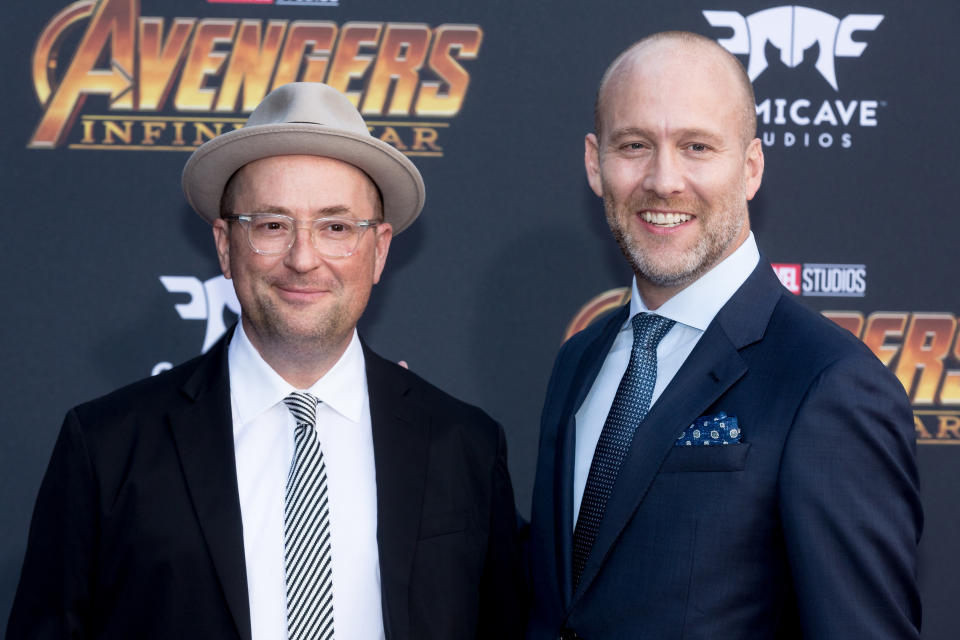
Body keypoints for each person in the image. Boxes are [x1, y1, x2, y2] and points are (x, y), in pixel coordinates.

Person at [8, 82, 523, 640]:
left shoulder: (463, 445)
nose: (304, 259)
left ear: (379, 251)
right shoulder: (107, 445)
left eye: (336, 227)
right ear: (226, 246)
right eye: (273, 225)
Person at [526, 31, 921, 639]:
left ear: (752, 166)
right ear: (593, 163)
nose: (663, 180)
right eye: (634, 145)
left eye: (697, 147)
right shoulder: (580, 361)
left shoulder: (829, 384)